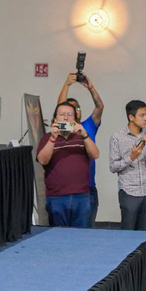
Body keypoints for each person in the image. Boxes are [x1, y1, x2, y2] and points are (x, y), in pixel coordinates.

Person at [36, 102, 98, 227]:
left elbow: (95, 154)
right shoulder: (47, 138)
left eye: (69, 115)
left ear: (74, 119)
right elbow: (42, 160)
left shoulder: (81, 137)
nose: (65, 118)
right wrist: (53, 138)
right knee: (58, 234)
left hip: (81, 196)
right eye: (62, 114)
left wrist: (84, 134)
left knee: (82, 234)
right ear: (55, 118)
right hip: (56, 197)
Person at [58, 71, 105, 222]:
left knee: (86, 230)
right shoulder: (62, 129)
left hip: (87, 188)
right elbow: (60, 107)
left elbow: (99, 107)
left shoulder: (88, 125)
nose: (76, 111)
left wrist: (91, 88)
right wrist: (67, 85)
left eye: (78, 108)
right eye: (72, 109)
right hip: (66, 188)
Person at [108, 100, 146, 230]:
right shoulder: (117, 137)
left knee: (145, 232)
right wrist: (131, 157)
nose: (145, 119)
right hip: (129, 191)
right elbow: (113, 167)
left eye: (145, 115)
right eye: (141, 115)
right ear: (131, 117)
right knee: (128, 231)